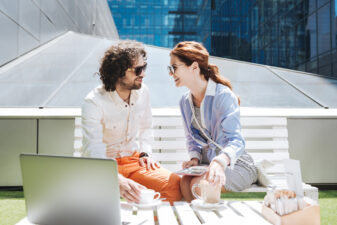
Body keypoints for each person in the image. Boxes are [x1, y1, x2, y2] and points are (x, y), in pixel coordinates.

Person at [82, 40, 181, 204]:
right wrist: (117, 180)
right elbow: (94, 150)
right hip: (103, 166)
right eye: (138, 70)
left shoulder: (143, 92)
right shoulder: (93, 102)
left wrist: (145, 152)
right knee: (100, 204)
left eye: (145, 67)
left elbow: (146, 126)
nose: (143, 74)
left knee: (174, 186)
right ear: (118, 72)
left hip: (133, 161)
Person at [168, 41, 257, 202]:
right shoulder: (184, 102)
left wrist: (219, 162)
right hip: (207, 164)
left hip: (235, 165)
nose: (171, 73)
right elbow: (191, 138)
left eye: (174, 67)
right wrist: (194, 158)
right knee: (183, 182)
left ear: (194, 67)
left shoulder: (223, 95)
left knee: (197, 185)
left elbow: (236, 141)